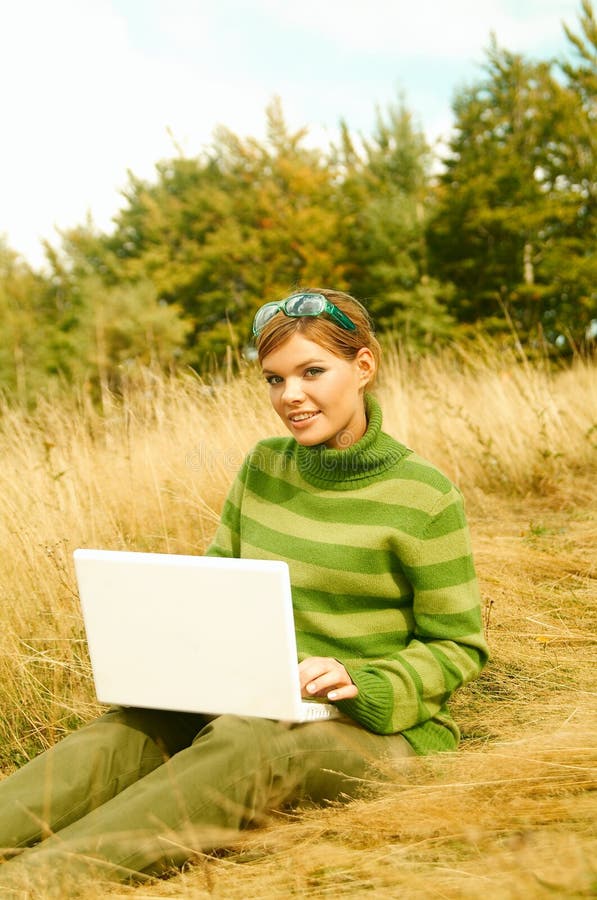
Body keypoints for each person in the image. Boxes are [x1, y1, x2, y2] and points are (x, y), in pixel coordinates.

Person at [0, 288, 489, 894]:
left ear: (364, 366)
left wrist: (362, 680)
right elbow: (220, 589)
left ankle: (33, 886)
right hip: (253, 701)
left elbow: (458, 646)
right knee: (130, 727)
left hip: (379, 735)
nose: (291, 396)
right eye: (274, 378)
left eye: (313, 372)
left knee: (250, 740)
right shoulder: (262, 466)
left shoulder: (425, 495)